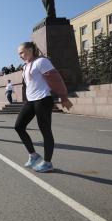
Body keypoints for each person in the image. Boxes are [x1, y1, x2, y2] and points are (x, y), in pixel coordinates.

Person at [15, 42, 72, 173]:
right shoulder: (26, 66)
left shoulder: (41, 62)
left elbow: (56, 79)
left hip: (43, 99)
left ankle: (47, 163)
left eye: (22, 52)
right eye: (19, 54)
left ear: (30, 50)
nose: (20, 56)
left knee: (45, 131)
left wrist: (63, 96)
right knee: (19, 126)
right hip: (31, 100)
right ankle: (34, 156)